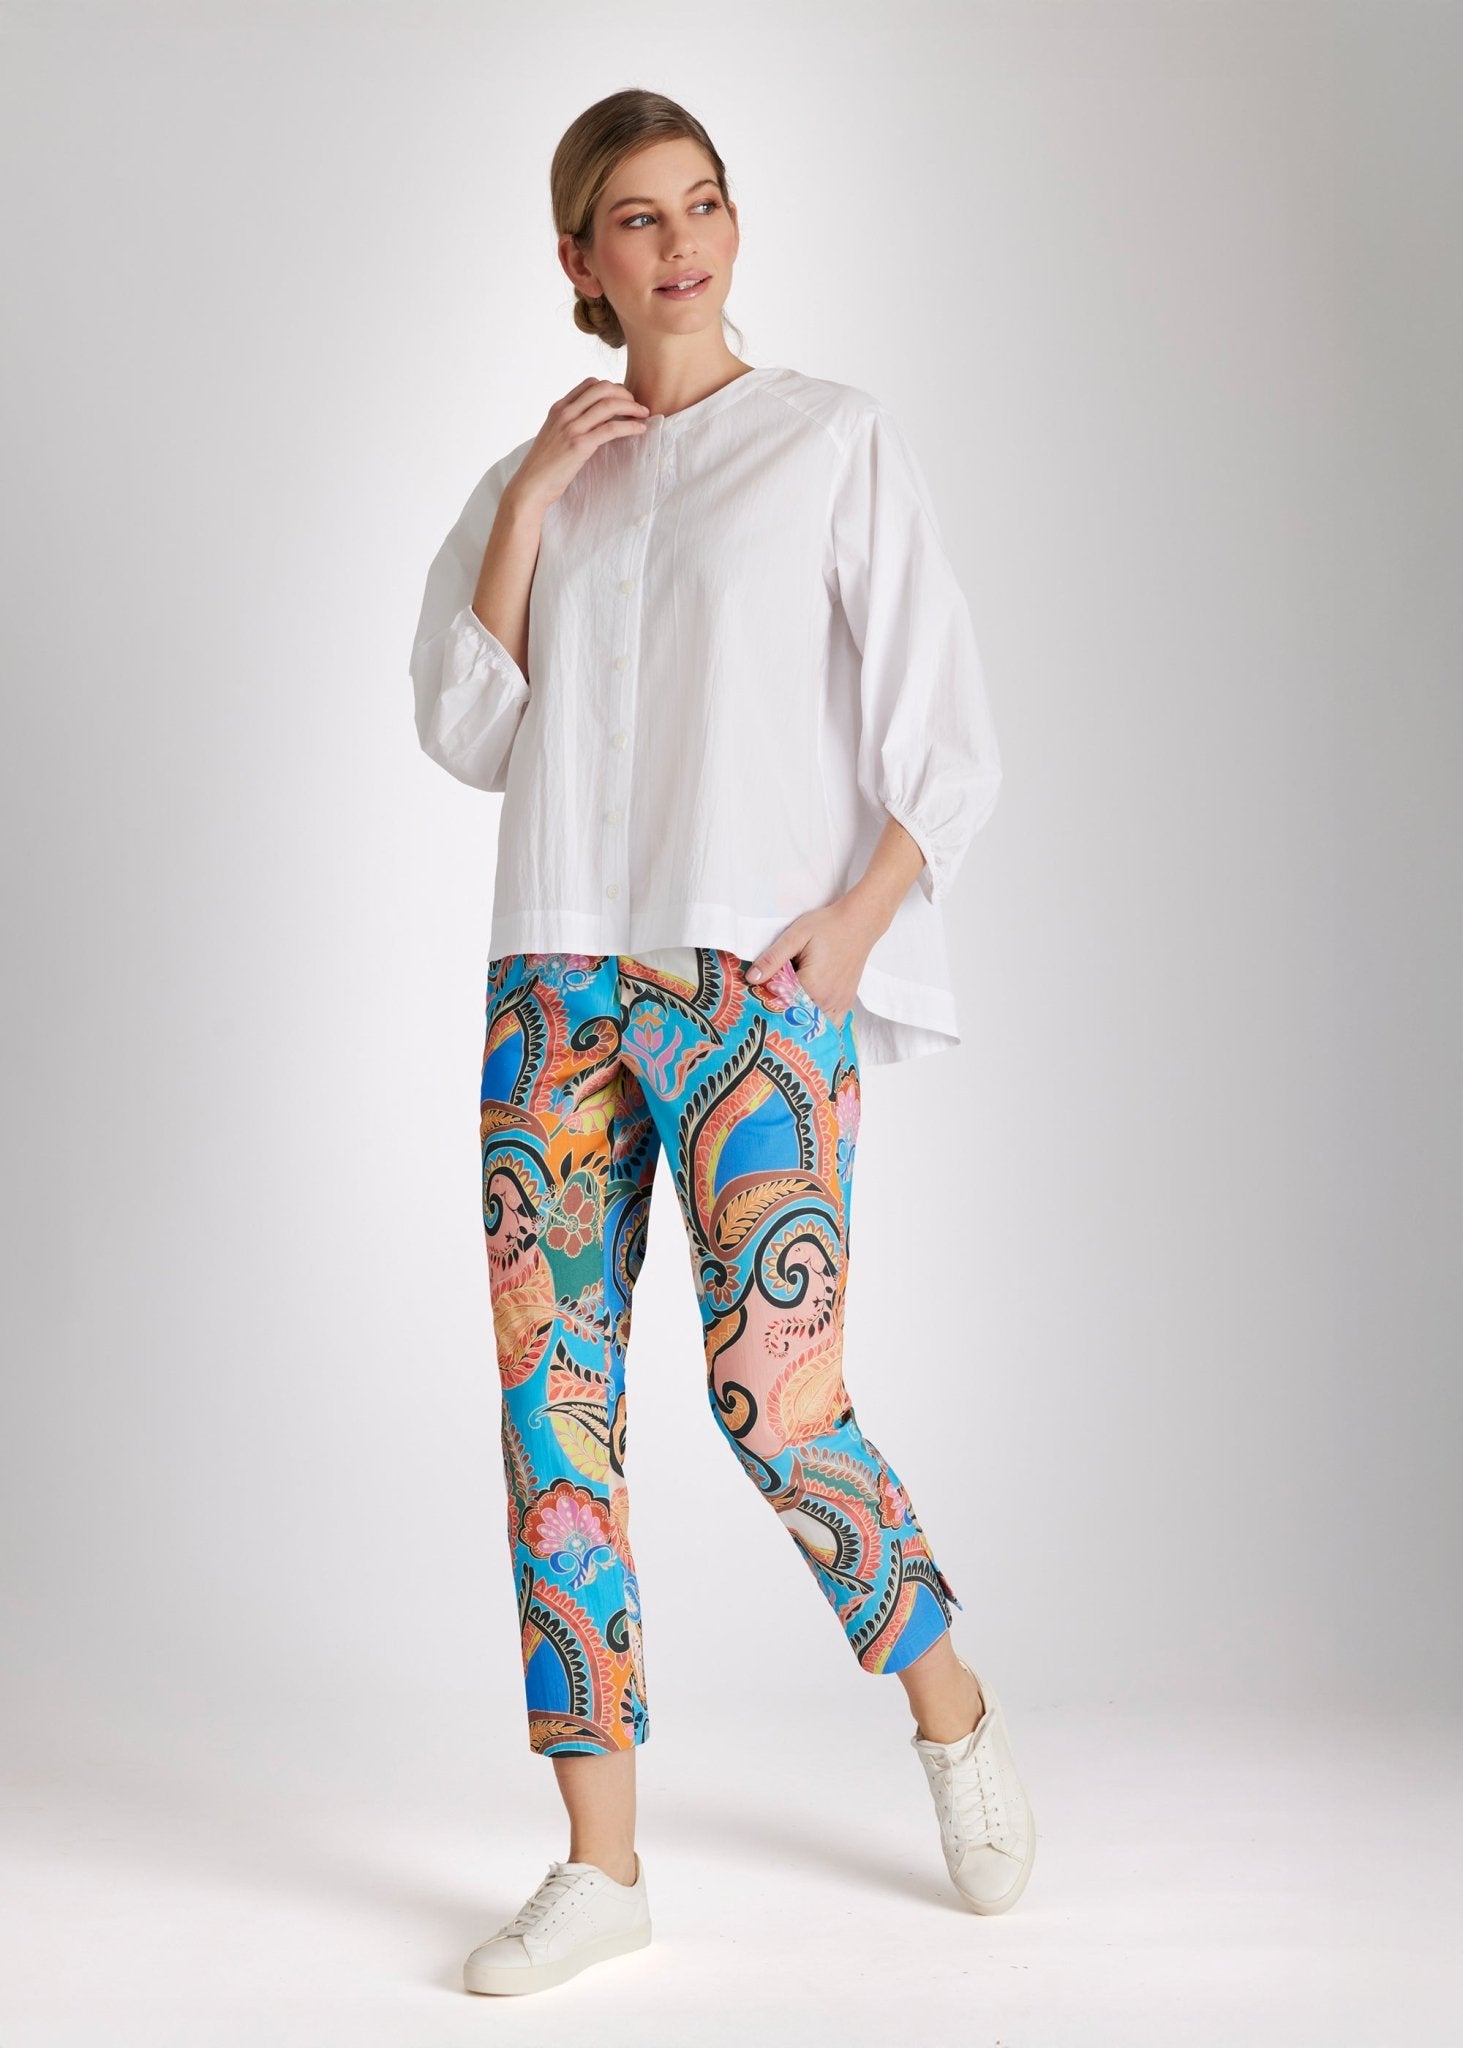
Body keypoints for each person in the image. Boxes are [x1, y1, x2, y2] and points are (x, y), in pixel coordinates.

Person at [409, 88, 1035, 1998]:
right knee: (553, 1418)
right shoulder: (537, 479)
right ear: (579, 261)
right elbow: (463, 723)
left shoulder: (830, 440)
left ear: (733, 226)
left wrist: (856, 925)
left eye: (702, 204)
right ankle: (599, 1863)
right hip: (552, 982)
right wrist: (534, 496)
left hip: (748, 989)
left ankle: (950, 1708)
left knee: (778, 1399)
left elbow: (948, 740)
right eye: (635, 216)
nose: (678, 242)